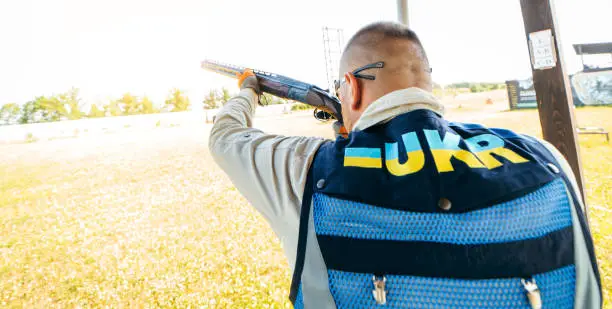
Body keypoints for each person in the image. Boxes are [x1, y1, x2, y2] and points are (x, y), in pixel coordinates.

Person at [209, 21, 601, 309]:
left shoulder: (305, 170)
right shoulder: (544, 155)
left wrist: (248, 89)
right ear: (424, 82)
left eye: (339, 88)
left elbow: (225, 137)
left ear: (353, 86)